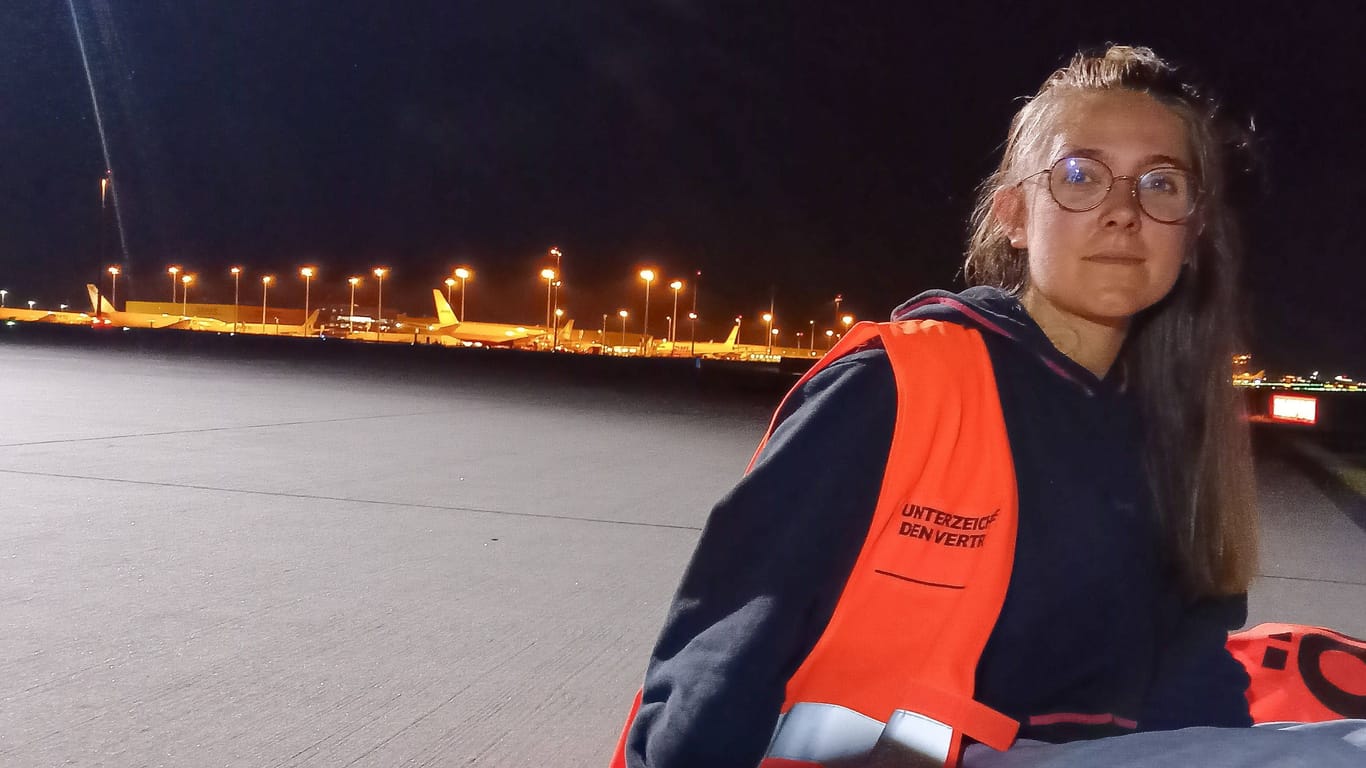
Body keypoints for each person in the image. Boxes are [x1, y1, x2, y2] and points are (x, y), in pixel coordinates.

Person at [612, 45, 1274, 768]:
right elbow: (728, 652)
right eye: (1079, 176)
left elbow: (1195, 691)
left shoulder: (1181, 436)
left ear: (1193, 231)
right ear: (1015, 216)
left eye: (1161, 183)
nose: (1123, 211)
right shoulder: (895, 388)